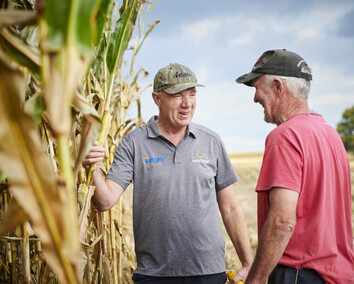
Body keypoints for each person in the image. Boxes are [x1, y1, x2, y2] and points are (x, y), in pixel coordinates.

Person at [83, 63, 253, 284]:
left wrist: (249, 264)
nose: (187, 104)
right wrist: (93, 168)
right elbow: (105, 201)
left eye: (192, 94)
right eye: (176, 95)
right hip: (155, 274)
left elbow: (231, 208)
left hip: (208, 272)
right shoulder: (133, 143)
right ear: (157, 99)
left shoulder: (211, 141)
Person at [235, 49, 354, 284]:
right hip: (338, 274)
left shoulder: (284, 137)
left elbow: (282, 221)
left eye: (258, 87)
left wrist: (256, 279)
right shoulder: (330, 134)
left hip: (299, 274)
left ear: (278, 87)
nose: (255, 98)